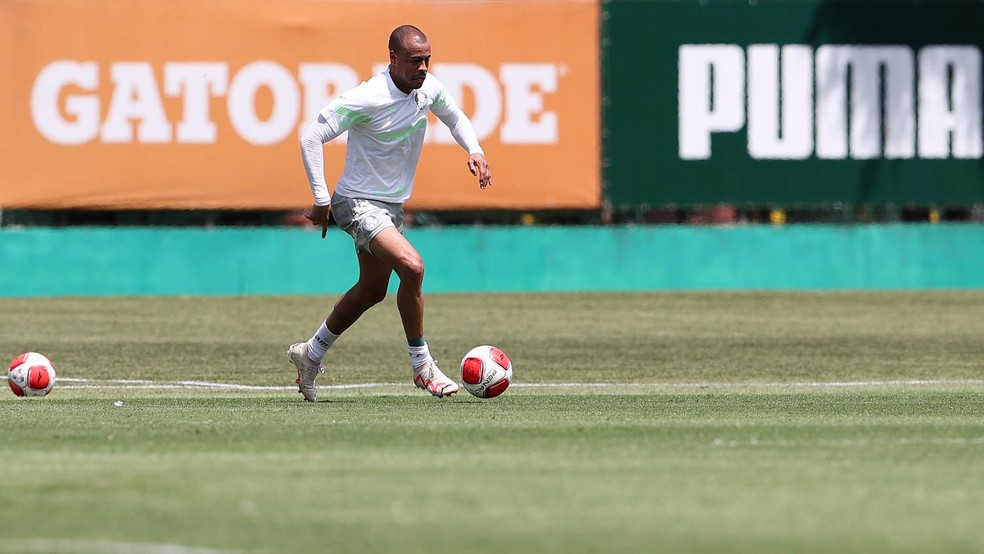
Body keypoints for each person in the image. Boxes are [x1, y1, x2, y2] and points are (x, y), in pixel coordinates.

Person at [288, 24, 492, 402]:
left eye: (428, 58)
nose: (424, 66)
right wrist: (321, 200)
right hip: (356, 203)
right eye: (415, 60)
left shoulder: (427, 88)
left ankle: (310, 354)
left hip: (390, 207)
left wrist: (474, 150)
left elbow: (455, 116)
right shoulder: (368, 96)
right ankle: (422, 366)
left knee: (371, 291)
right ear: (393, 58)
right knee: (412, 267)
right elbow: (310, 136)